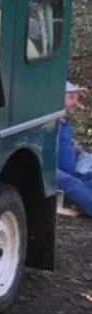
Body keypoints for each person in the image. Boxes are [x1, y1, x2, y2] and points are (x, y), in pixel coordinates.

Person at [57, 81, 92, 216]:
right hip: (54, 176)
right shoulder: (51, 124)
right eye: (71, 97)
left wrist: (73, 146)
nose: (76, 103)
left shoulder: (65, 122)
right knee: (74, 185)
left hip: (73, 173)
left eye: (77, 98)